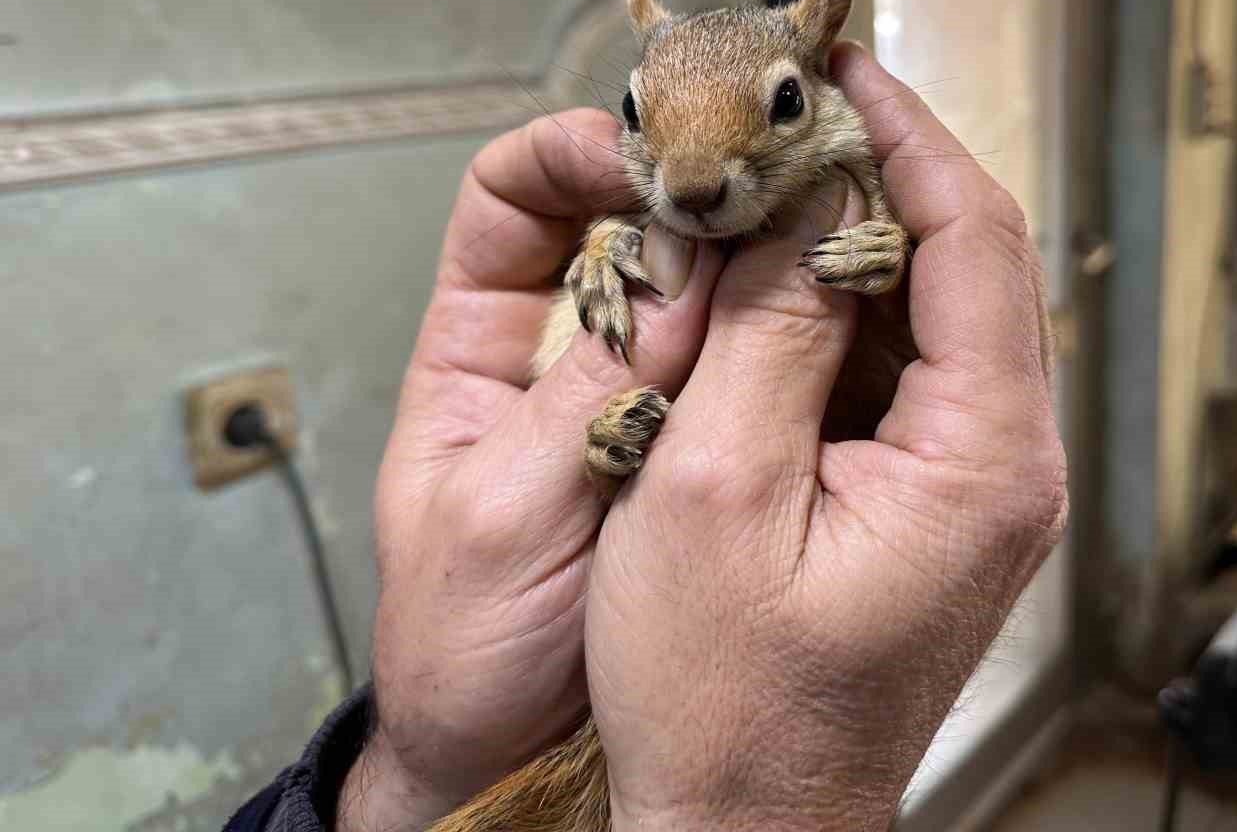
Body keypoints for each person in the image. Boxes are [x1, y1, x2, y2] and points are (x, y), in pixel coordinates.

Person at [224, 43, 1067, 832]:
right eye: (639, 121)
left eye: (780, 104)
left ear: (814, 87)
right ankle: (604, 454)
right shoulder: (633, 215)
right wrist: (419, 769)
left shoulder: (854, 179)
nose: (693, 185)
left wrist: (888, 248)